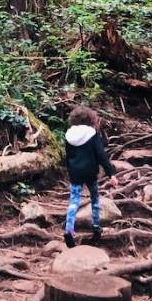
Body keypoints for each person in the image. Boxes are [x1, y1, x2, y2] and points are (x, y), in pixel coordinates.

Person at [62, 106, 116, 248]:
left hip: (75, 173)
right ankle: (96, 227)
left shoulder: (69, 135)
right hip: (90, 172)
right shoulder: (92, 134)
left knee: (74, 201)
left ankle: (68, 230)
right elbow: (101, 155)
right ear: (90, 119)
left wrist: (70, 170)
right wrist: (111, 173)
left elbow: (68, 156)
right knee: (95, 199)